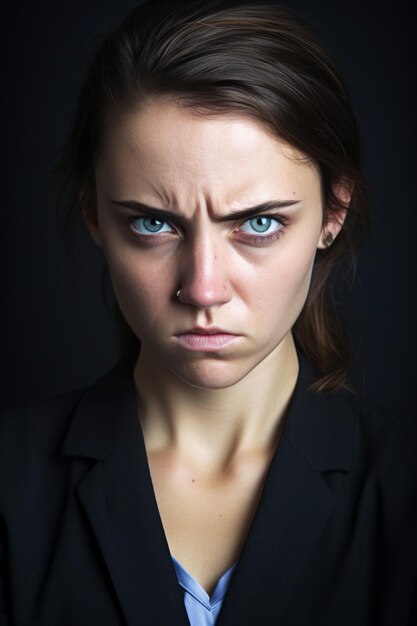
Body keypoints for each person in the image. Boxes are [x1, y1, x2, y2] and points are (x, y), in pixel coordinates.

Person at [1, 1, 416, 624]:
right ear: (93, 215)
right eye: (152, 223)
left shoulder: (405, 492)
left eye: (258, 223)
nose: (202, 289)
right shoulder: (9, 486)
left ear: (333, 213)